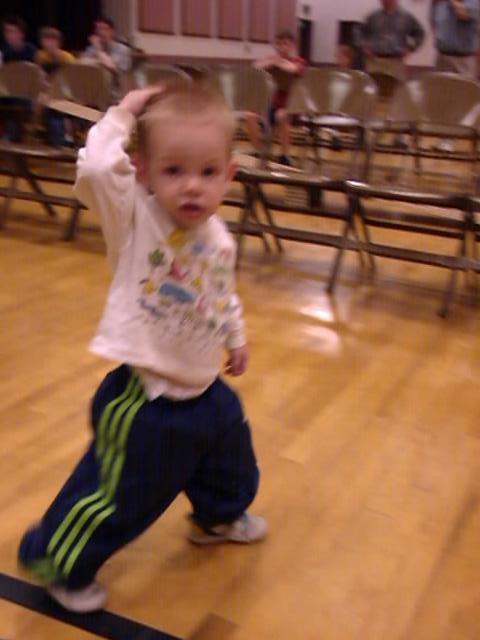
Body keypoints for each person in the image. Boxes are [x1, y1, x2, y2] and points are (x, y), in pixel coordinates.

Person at [18, 82, 267, 614]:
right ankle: (56, 560)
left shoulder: (218, 238)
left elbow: (220, 293)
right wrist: (124, 112)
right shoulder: (134, 217)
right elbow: (95, 170)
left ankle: (218, 516)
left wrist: (236, 336)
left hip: (203, 387)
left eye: (207, 172)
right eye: (173, 171)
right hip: (146, 399)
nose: (192, 186)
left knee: (230, 453)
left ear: (229, 176)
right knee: (117, 492)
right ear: (145, 171)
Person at [246, 30, 306, 166]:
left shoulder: (298, 61)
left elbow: (294, 69)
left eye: (285, 44)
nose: (281, 47)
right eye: (278, 44)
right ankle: (260, 151)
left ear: (292, 46)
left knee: (281, 115)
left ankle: (285, 155)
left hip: (291, 107)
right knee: (249, 115)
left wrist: (278, 62)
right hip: (270, 105)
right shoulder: (270, 59)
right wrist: (271, 62)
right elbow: (255, 67)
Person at [361, 0, 425, 81]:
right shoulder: (373, 16)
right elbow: (359, 32)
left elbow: (420, 33)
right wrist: (364, 46)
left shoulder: (406, 17)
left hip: (395, 62)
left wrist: (410, 48)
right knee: (373, 87)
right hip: (374, 61)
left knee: (397, 88)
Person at [36, 27, 75, 146]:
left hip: (65, 91)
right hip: (47, 90)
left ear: (59, 42)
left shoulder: (67, 57)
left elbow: (73, 78)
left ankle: (68, 136)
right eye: (46, 40)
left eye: (52, 41)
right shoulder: (40, 56)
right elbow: (39, 74)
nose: (49, 44)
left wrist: (56, 56)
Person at [0, 16, 37, 142]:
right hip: (6, 91)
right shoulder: (3, 51)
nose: (9, 35)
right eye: (6, 31)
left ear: (21, 34)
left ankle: (11, 140)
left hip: (26, 93)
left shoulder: (30, 50)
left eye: (12, 31)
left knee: (18, 104)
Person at [81, 15, 131, 102]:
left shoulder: (122, 49)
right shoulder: (92, 49)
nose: (100, 32)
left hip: (115, 95)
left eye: (104, 29)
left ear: (112, 32)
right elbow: (82, 64)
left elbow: (111, 66)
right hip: (94, 93)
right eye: (97, 29)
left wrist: (98, 50)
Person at [431, 0, 479, 78]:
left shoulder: (472, 2)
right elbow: (434, 23)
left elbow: (463, 14)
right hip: (442, 56)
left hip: (461, 59)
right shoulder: (441, 4)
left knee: (462, 85)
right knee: (440, 84)